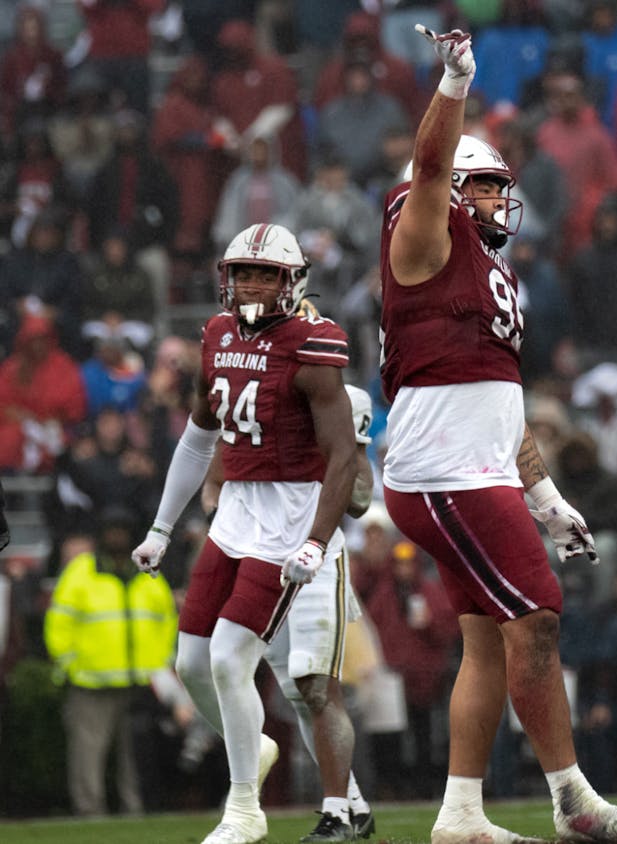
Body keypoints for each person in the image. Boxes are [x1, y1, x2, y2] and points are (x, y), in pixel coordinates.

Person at [378, 24, 617, 844]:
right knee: (537, 617)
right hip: (446, 476)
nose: (505, 200)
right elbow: (430, 166)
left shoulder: (493, 268)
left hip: (475, 470)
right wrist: (456, 85)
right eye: (491, 187)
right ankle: (574, 801)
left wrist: (544, 493)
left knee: (490, 643)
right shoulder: (426, 236)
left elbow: (501, 399)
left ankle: (460, 814)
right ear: (457, 192)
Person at [131, 222, 358, 844]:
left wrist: (315, 538)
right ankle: (250, 747)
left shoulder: (313, 343)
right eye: (243, 272)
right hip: (235, 514)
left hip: (287, 518)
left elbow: (343, 456)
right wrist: (161, 527)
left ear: (292, 281)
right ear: (225, 278)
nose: (252, 284)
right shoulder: (216, 334)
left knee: (233, 658)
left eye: (266, 273)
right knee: (192, 663)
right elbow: (199, 437)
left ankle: (243, 810)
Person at [200, 375, 379, 842]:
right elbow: (214, 479)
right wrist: (230, 513)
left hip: (318, 557)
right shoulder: (254, 401)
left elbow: (359, 501)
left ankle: (338, 813)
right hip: (263, 559)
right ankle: (354, 807)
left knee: (315, 684)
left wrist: (347, 448)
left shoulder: (337, 399)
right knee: (290, 689)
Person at [44, 506, 178, 818]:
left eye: (122, 531)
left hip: (138, 683)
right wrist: (69, 664)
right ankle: (90, 814)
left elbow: (166, 621)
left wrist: (158, 665)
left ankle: (134, 812)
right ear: (100, 535)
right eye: (111, 530)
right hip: (91, 682)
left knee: (135, 757)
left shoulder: (148, 574)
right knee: (88, 754)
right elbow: (58, 623)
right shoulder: (81, 573)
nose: (116, 537)